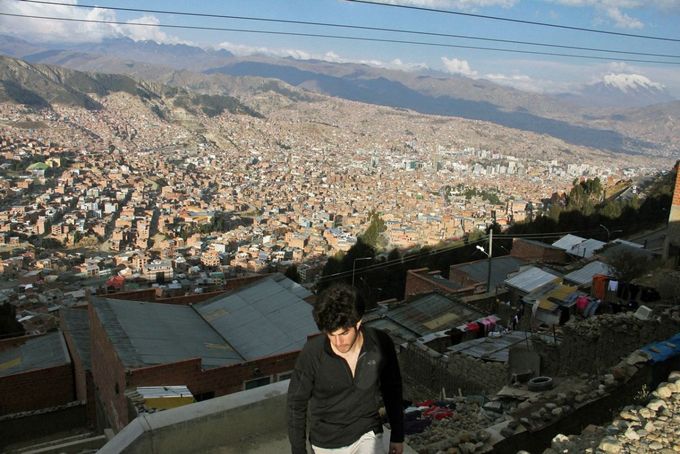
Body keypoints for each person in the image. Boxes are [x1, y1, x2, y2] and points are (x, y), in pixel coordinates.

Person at [287, 284, 404, 454]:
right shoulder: (313, 353)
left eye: (343, 334)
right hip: (327, 442)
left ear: (358, 322)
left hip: (367, 431)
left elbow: (392, 389)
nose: (338, 342)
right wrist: (299, 451)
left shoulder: (379, 344)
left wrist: (397, 435)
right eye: (331, 334)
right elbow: (296, 404)